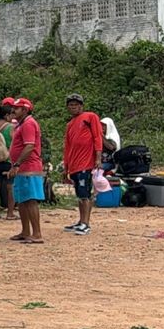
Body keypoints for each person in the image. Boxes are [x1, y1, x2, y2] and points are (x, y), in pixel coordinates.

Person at [62, 94, 103, 236]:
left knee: (85, 193)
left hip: (86, 162)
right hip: (74, 163)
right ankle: (81, 221)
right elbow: (67, 146)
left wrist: (98, 157)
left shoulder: (90, 117)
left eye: (75, 105)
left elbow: (97, 137)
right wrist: (66, 167)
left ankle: (86, 223)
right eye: (70, 105)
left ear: (81, 106)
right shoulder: (70, 124)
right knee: (80, 194)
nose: (73, 107)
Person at [8, 98, 45, 245]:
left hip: (29, 167)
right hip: (22, 168)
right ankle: (25, 231)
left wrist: (17, 163)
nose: (13, 111)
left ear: (25, 110)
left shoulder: (29, 124)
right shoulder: (21, 125)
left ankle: (37, 233)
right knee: (22, 200)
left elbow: (29, 146)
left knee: (30, 200)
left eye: (16, 109)